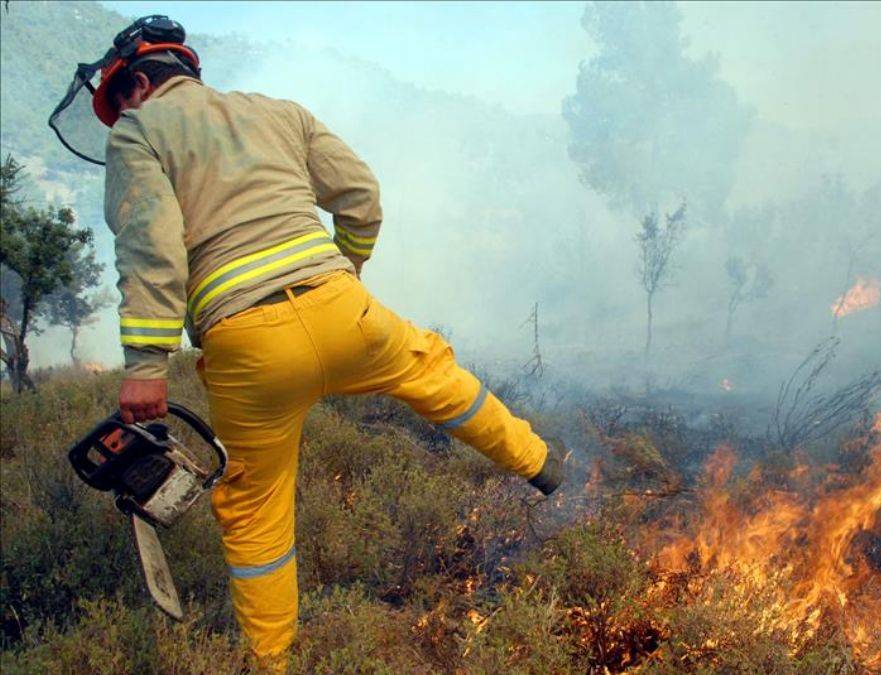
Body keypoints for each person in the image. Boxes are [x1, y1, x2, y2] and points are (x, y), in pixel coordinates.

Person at [89, 16, 563, 669]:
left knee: (254, 508)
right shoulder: (279, 112)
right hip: (345, 310)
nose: (119, 115)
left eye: (118, 102)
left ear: (139, 84)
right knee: (434, 370)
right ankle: (540, 463)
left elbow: (152, 245)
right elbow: (362, 197)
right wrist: (346, 272)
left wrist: (146, 364)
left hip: (247, 345)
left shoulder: (139, 133)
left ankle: (273, 659)